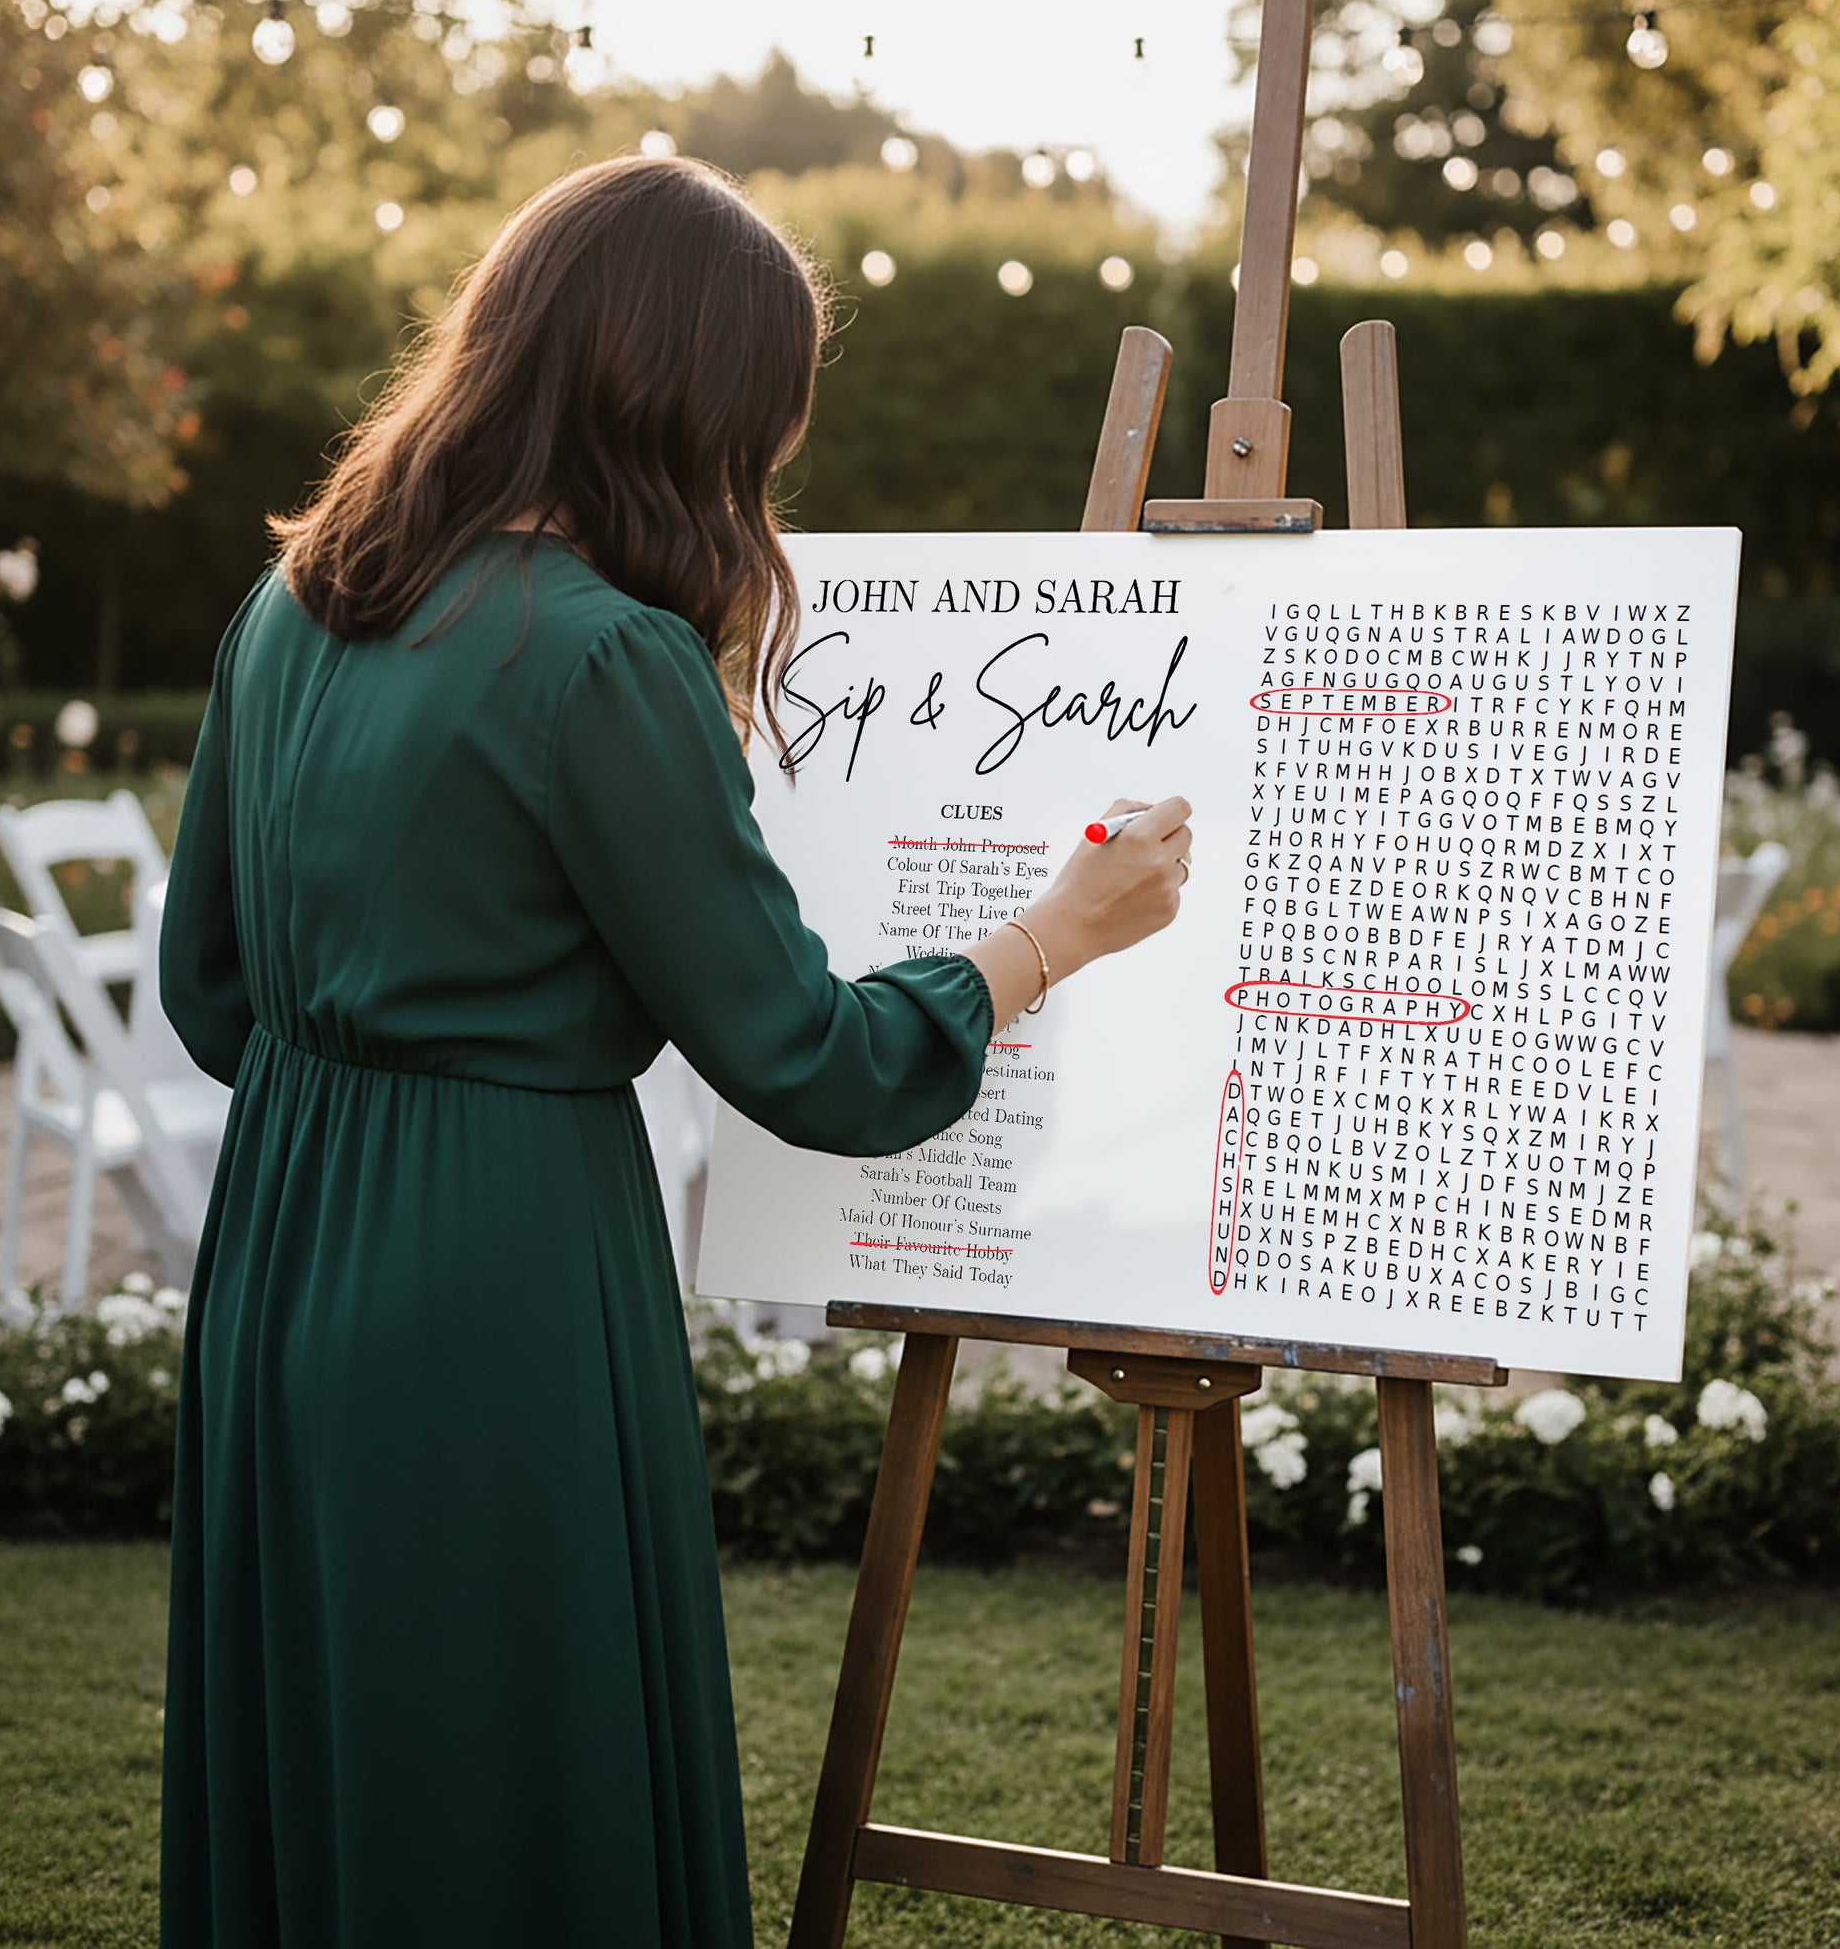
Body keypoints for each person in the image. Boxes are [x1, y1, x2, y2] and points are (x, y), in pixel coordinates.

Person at [156, 152, 1191, 1948]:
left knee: (334, 1733)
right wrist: (1057, 934)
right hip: (502, 1275)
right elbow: (811, 1060)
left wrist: (366, 1108)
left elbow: (208, 992)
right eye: (766, 422)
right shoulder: (604, 659)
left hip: (283, 1254)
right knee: (505, 1762)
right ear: (687, 402)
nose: (771, 468)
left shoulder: (291, 611)